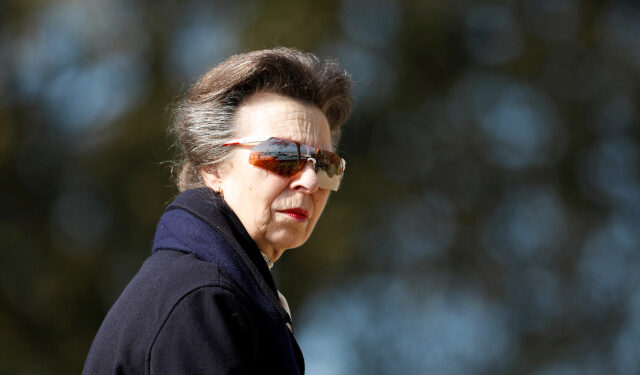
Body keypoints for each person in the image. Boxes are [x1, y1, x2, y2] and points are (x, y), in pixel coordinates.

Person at [82, 47, 352, 374]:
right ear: (213, 166)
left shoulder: (211, 291)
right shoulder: (201, 300)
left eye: (326, 166)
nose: (309, 182)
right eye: (283, 155)